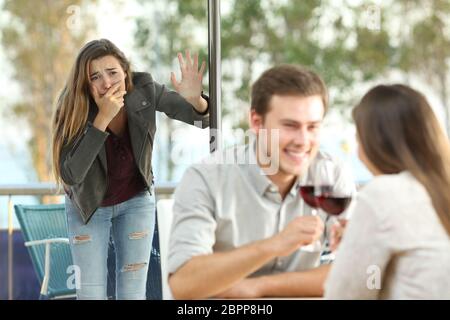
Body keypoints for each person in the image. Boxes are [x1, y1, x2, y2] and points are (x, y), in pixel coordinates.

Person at [168, 64, 355, 299]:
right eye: (290, 125)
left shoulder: (331, 174)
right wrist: (273, 245)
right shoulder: (207, 178)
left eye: (313, 127)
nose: (303, 141)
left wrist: (258, 286)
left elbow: (357, 274)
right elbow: (184, 285)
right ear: (256, 122)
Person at [51, 39, 209, 300]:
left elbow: (203, 121)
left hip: (136, 199)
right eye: (95, 77)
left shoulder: (144, 88)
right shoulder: (72, 105)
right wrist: (102, 118)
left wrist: (197, 101)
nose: (107, 83)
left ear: (125, 71)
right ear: (85, 83)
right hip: (88, 206)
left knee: (133, 292)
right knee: (91, 294)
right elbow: (71, 175)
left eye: (112, 72)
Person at [324, 84, 450, 299]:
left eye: (358, 137)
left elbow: (344, 296)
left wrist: (356, 251)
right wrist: (362, 244)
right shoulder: (439, 189)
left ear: (375, 142)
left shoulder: (384, 193)